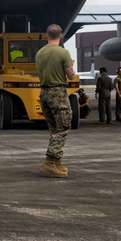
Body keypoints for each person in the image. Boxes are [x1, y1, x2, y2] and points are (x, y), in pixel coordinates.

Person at [36, 24, 75, 178]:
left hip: (44, 92)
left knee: (54, 129)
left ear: (47, 35)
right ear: (61, 36)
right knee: (63, 127)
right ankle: (49, 162)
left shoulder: (39, 53)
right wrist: (70, 64)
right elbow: (70, 75)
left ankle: (57, 162)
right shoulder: (63, 52)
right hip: (58, 93)